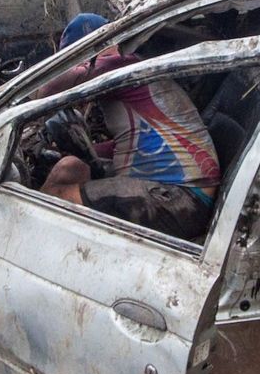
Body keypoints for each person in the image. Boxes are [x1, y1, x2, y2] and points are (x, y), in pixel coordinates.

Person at [36, 13, 221, 241]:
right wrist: (86, 150)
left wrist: (70, 64)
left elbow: (45, 91)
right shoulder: (133, 69)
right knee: (69, 167)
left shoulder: (119, 67)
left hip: (178, 199)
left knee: (53, 199)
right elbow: (135, 140)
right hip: (175, 191)